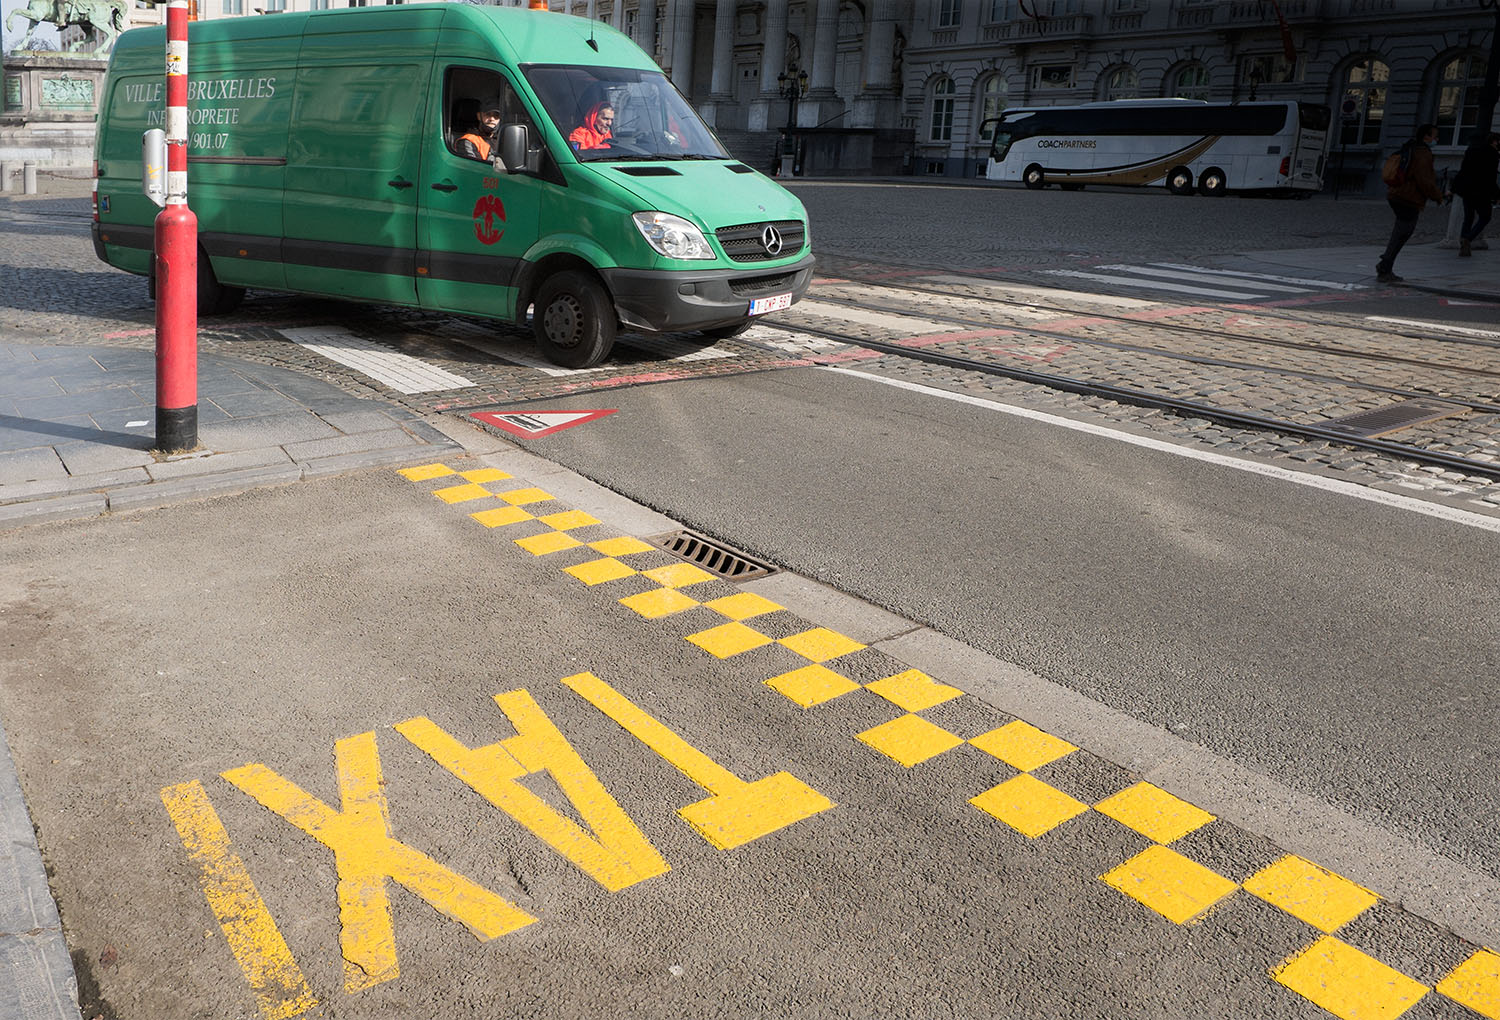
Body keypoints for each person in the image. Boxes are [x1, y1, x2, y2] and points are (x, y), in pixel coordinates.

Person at [1375, 124, 1444, 283]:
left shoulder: (1412, 147)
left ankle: (1385, 265)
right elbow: (1424, 180)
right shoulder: (1422, 153)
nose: (1437, 139)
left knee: (1401, 232)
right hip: (1408, 197)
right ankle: (1384, 268)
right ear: (1426, 137)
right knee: (1403, 233)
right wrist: (1438, 196)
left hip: (1397, 194)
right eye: (1435, 136)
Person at [1449, 131, 1500, 257]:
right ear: (1494, 141)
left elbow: (1463, 171)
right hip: (1482, 191)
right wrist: (1497, 195)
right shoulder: (1492, 154)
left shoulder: (1471, 151)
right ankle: (1468, 238)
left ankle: (1464, 241)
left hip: (1467, 190)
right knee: (1485, 217)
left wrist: (1454, 188)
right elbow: (1491, 177)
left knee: (1468, 217)